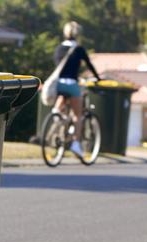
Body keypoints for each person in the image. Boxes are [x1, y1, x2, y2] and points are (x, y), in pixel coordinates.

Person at [53, 21, 101, 157]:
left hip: (58, 84)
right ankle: (75, 144)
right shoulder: (78, 49)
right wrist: (98, 78)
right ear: (78, 34)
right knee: (77, 116)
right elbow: (89, 65)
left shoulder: (59, 49)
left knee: (62, 98)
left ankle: (56, 115)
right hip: (71, 84)